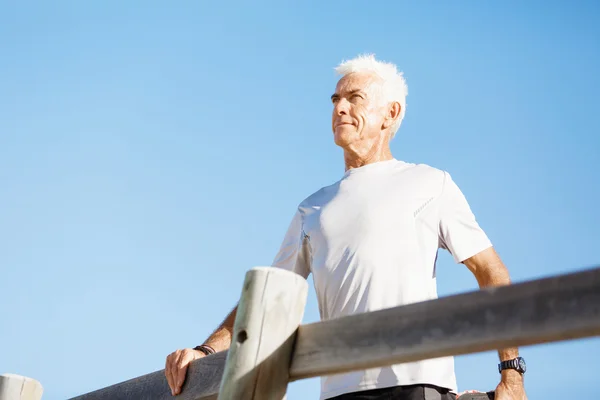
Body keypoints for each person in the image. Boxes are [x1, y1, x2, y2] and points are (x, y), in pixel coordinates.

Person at [165, 54, 528, 400]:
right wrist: (206, 350)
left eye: (355, 98)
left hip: (416, 385)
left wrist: (511, 373)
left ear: (391, 113)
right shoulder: (312, 208)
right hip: (339, 392)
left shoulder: (429, 184)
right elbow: (264, 303)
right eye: (336, 99)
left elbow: (491, 272)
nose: (340, 107)